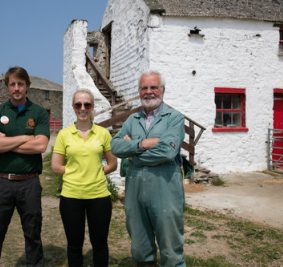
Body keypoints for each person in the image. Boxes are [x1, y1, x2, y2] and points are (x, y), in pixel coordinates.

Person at [110, 71, 186, 267]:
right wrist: (142, 144)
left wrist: (133, 153)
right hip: (135, 192)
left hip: (165, 190)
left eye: (154, 87)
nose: (149, 92)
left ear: (162, 90)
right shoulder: (132, 120)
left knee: (171, 249)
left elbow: (167, 152)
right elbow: (115, 146)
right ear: (139, 91)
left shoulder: (174, 118)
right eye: (144, 88)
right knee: (140, 247)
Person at [0, 66, 50, 267]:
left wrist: (6, 142)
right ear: (7, 87)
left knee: (33, 234)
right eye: (13, 84)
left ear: (27, 86)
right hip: (1, 183)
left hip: (29, 184)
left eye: (21, 84)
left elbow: (41, 145)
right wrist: (24, 138)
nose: (17, 88)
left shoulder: (38, 113)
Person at [51, 89, 117, 267]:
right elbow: (56, 166)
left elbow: (112, 163)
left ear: (92, 107)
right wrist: (77, 172)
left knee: (100, 245)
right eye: (78, 104)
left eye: (87, 104)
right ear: (73, 107)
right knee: (74, 246)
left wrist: (96, 171)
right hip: (71, 196)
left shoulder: (103, 133)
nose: (82, 108)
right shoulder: (64, 134)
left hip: (99, 196)